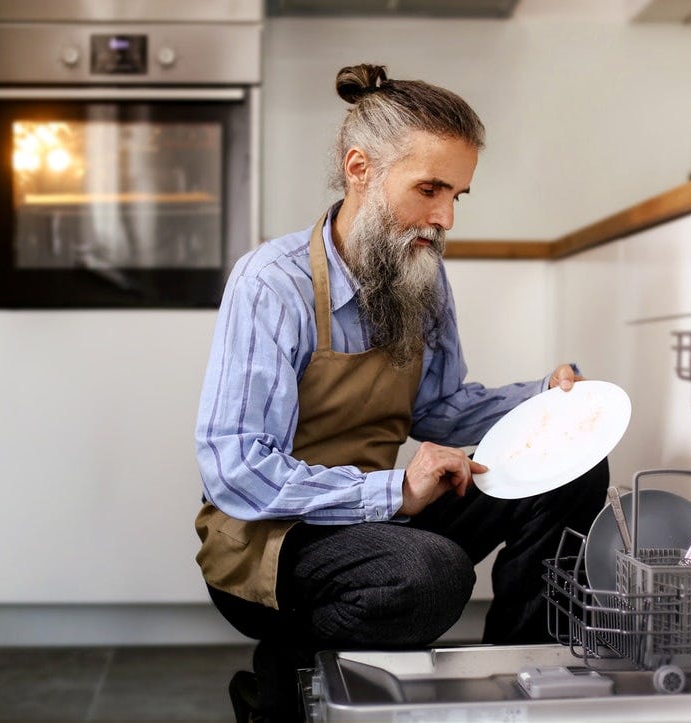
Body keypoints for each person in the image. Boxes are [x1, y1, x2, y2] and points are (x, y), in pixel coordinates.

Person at [193, 63, 608, 721]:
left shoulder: (421, 271)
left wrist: (542, 399)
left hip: (377, 515)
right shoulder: (272, 284)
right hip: (271, 539)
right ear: (360, 169)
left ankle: (526, 677)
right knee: (430, 575)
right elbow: (236, 470)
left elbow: (435, 409)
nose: (443, 217)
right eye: (429, 189)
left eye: (457, 196)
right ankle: (285, 680)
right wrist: (394, 492)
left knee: (568, 465)